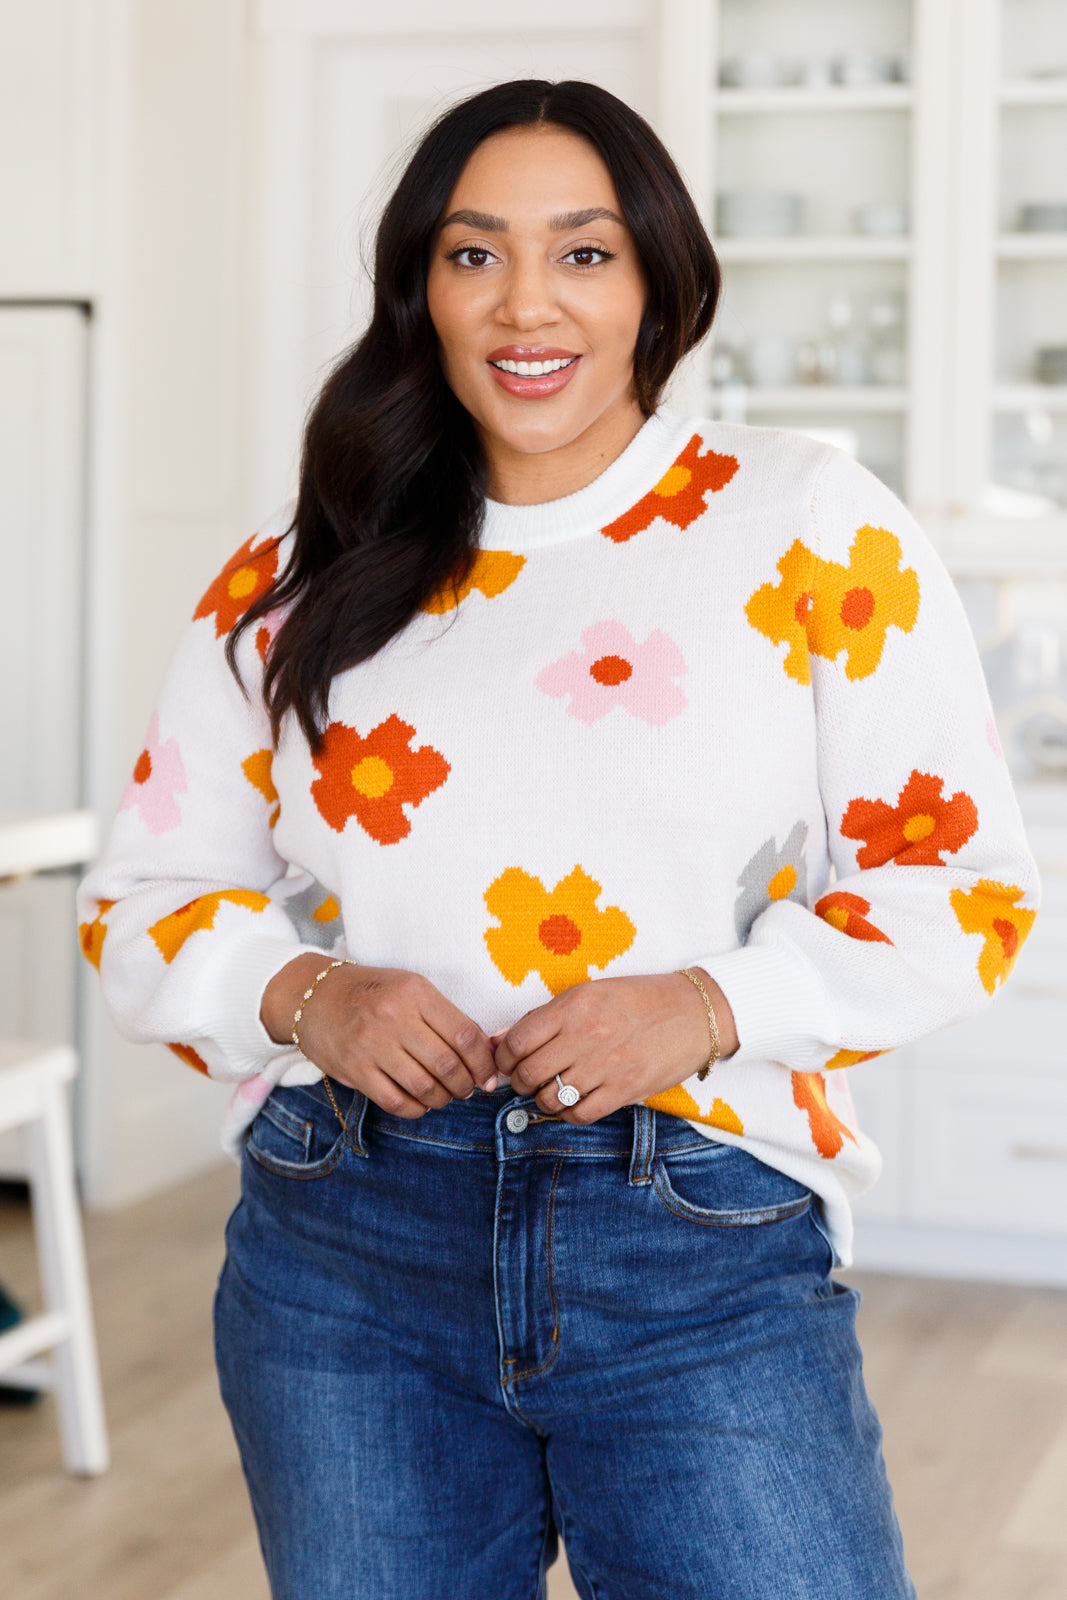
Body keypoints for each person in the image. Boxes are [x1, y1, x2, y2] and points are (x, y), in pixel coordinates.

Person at [78, 78, 1039, 1600]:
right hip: (346, 1250)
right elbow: (141, 901)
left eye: (584, 253)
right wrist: (311, 995)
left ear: (659, 279)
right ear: (421, 289)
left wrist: (711, 1004)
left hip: (697, 1242)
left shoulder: (806, 523)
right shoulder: (297, 565)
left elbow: (961, 890)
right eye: (475, 254)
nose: (529, 302)